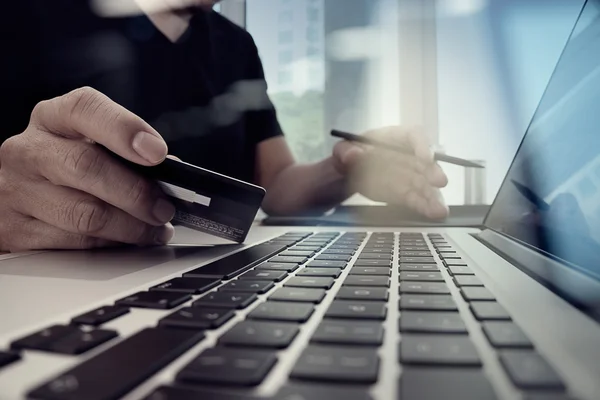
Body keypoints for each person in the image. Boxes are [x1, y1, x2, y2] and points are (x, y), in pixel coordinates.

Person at [0, 0, 448, 252]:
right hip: (57, 278)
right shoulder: (27, 17)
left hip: (215, 263)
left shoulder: (236, 44)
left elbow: (275, 183)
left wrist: (348, 168)